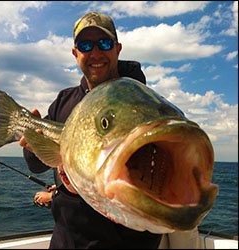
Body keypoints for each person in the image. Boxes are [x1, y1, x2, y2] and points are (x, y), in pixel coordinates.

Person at [20, 11, 162, 249]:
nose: (95, 53)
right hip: (67, 240)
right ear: (75, 54)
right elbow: (37, 165)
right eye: (86, 46)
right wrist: (32, 144)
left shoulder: (143, 105)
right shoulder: (64, 101)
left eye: (104, 43)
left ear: (117, 49)